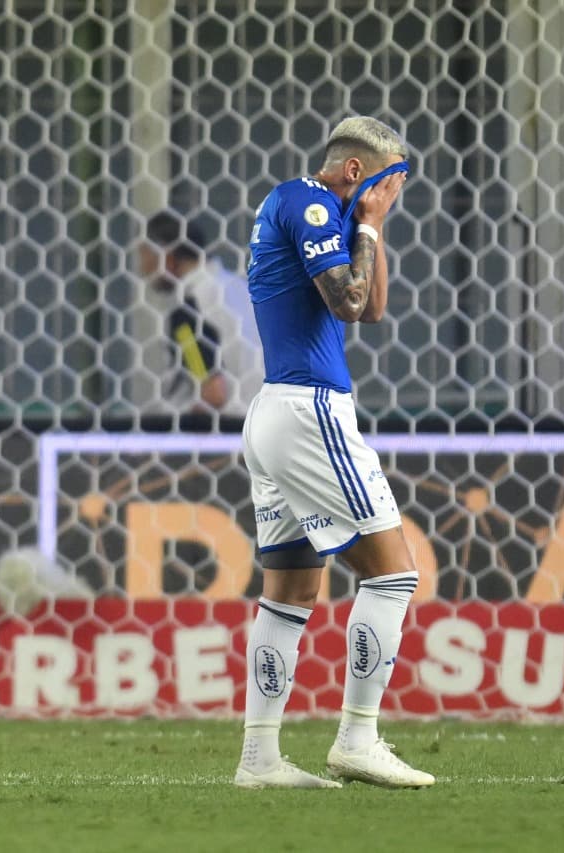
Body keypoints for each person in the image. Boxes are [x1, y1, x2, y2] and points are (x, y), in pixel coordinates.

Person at [233, 116, 433, 789]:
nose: (390, 196)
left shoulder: (299, 206)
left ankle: (259, 758)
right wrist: (369, 219)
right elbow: (349, 300)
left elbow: (371, 309)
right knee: (393, 575)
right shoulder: (309, 202)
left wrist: (373, 222)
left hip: (274, 412)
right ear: (355, 172)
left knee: (290, 588)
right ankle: (358, 737)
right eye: (387, 183)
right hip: (308, 408)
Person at [131, 213, 264, 417]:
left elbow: (213, 393)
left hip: (233, 432)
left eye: (145, 256)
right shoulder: (242, 289)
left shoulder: (187, 312)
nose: (142, 269)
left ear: (166, 255)